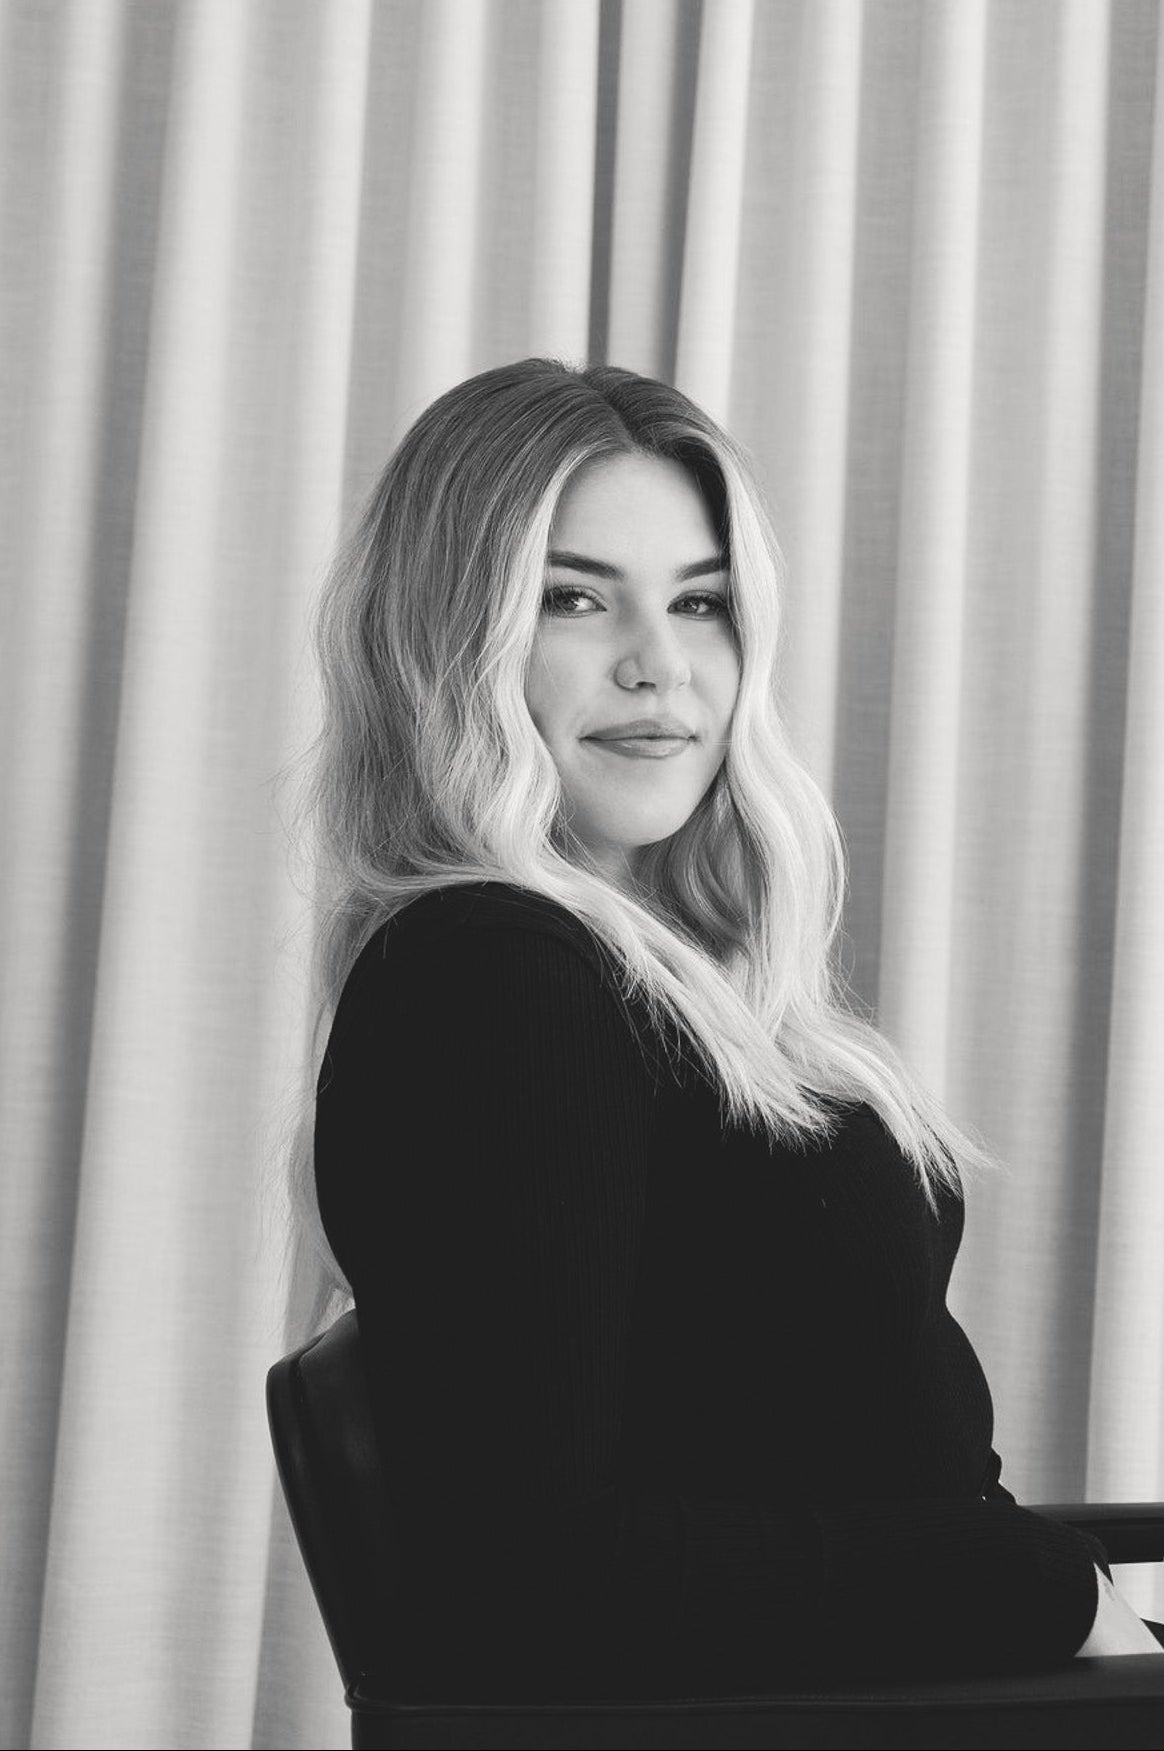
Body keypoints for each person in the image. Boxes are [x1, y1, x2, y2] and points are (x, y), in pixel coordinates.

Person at [298, 358, 1162, 1702]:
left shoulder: (635, 969)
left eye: (701, 603)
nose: (660, 666)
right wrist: (1045, 1594)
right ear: (445, 635)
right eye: (575, 598)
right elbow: (539, 1581)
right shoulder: (501, 983)